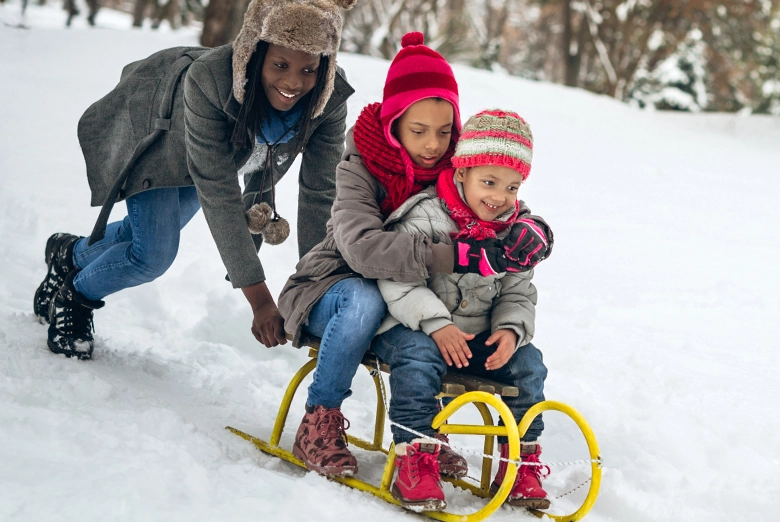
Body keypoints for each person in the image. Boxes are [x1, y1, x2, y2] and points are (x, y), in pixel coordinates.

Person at [275, 35, 554, 479]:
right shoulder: (359, 166)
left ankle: (437, 435)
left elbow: (496, 191)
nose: (432, 145)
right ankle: (319, 418)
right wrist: (461, 256)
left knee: (446, 336)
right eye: (419, 131)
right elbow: (365, 249)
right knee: (366, 298)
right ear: (393, 123)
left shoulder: (456, 166)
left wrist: (532, 228)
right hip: (336, 289)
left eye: (445, 132)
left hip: (407, 304)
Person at [33, 0, 359, 360]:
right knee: (152, 253)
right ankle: (75, 297)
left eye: (309, 69)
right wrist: (260, 299)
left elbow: (319, 194)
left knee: (141, 234)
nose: (294, 81)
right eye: (280, 65)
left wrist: (314, 288)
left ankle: (68, 253)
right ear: (255, 56)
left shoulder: (327, 99)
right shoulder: (210, 80)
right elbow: (219, 192)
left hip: (210, 152)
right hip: (158, 135)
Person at [371, 109, 552, 511]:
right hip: (413, 327)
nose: (499, 197)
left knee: (529, 365)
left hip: (476, 336)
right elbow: (398, 278)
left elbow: (519, 291)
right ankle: (415, 456)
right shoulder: (423, 217)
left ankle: (518, 459)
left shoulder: (515, 233)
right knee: (417, 359)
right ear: (461, 173)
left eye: (511, 187)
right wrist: (436, 324)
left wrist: (509, 330)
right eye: (488, 182)